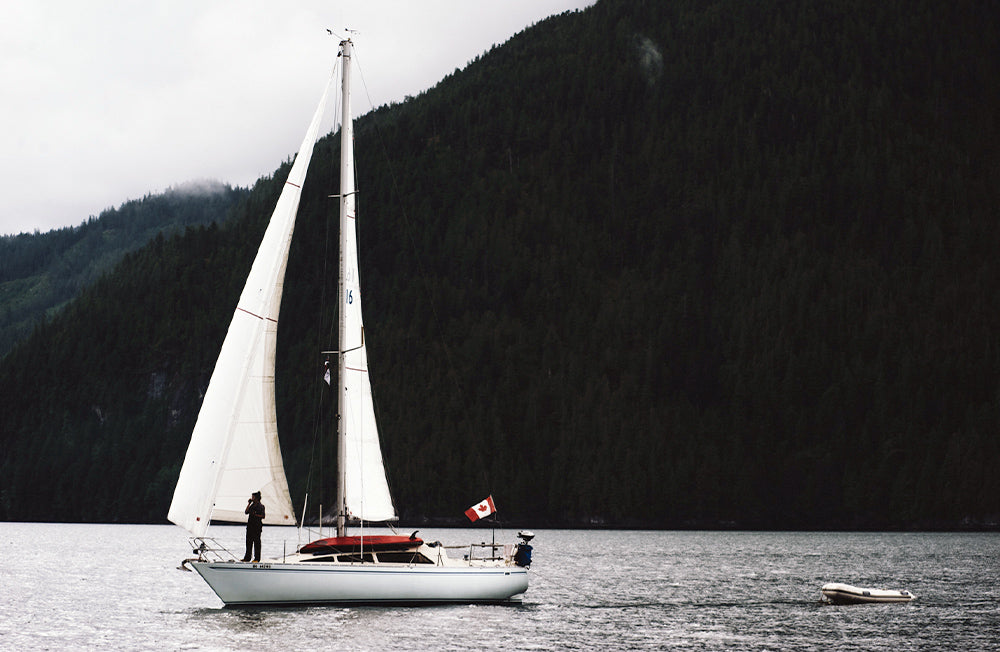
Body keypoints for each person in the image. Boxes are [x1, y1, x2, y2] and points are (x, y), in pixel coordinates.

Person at [242, 491, 265, 562]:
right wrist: (249, 504)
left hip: (257, 527)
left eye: (253, 497)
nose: (252, 498)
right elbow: (246, 512)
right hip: (250, 526)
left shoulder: (261, 506)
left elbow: (263, 516)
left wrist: (255, 515)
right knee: (248, 542)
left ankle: (257, 558)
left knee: (257, 543)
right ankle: (247, 557)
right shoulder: (252, 505)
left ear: (256, 498)